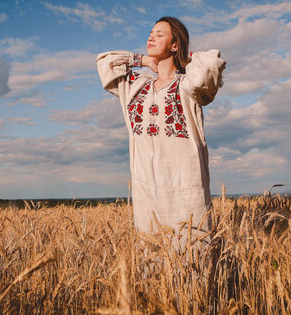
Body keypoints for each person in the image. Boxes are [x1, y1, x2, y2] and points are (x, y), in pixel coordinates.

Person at [96, 16, 226, 246]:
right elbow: (105, 63)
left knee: (192, 252)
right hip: (146, 190)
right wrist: (144, 60)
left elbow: (210, 64)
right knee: (153, 257)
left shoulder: (187, 85)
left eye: (159, 34)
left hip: (186, 187)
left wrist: (185, 57)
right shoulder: (136, 86)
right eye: (150, 33)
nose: (151, 37)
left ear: (175, 45)